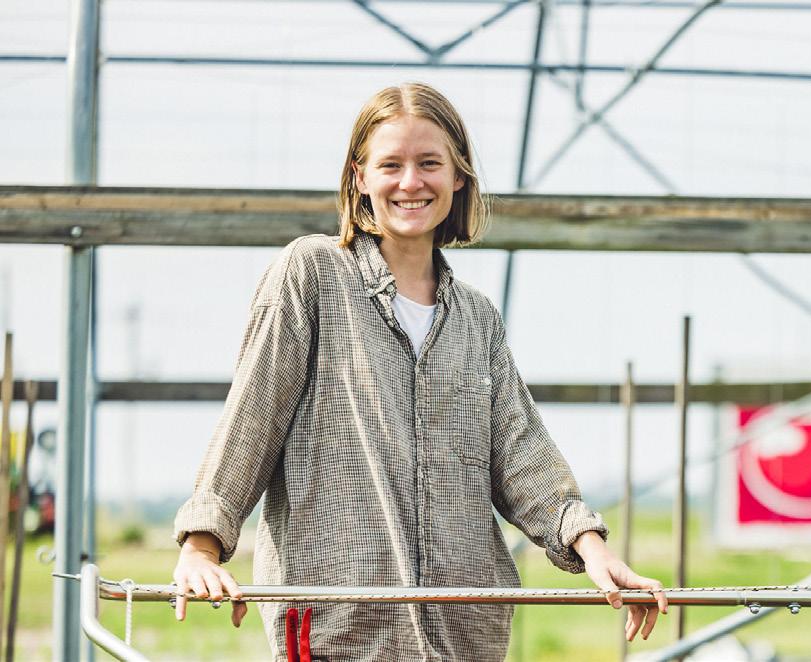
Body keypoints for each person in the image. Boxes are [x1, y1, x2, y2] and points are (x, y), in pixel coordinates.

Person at [172, 82, 666, 661]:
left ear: (458, 177)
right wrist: (202, 546)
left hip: (464, 633)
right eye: (391, 165)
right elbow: (253, 417)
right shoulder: (312, 274)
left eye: (430, 163)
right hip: (339, 630)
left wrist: (591, 546)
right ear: (360, 177)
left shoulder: (476, 318)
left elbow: (520, 453)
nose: (411, 182)